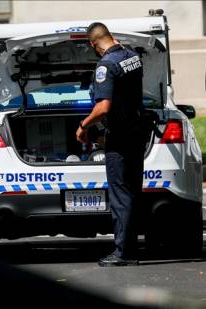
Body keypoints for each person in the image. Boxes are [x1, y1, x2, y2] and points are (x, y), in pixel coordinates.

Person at [76, 22, 145, 267]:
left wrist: (83, 126)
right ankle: (131, 248)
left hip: (121, 137)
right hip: (137, 134)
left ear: (93, 45)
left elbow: (104, 107)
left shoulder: (105, 65)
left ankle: (122, 253)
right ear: (112, 36)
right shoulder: (133, 57)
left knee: (120, 195)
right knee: (133, 193)